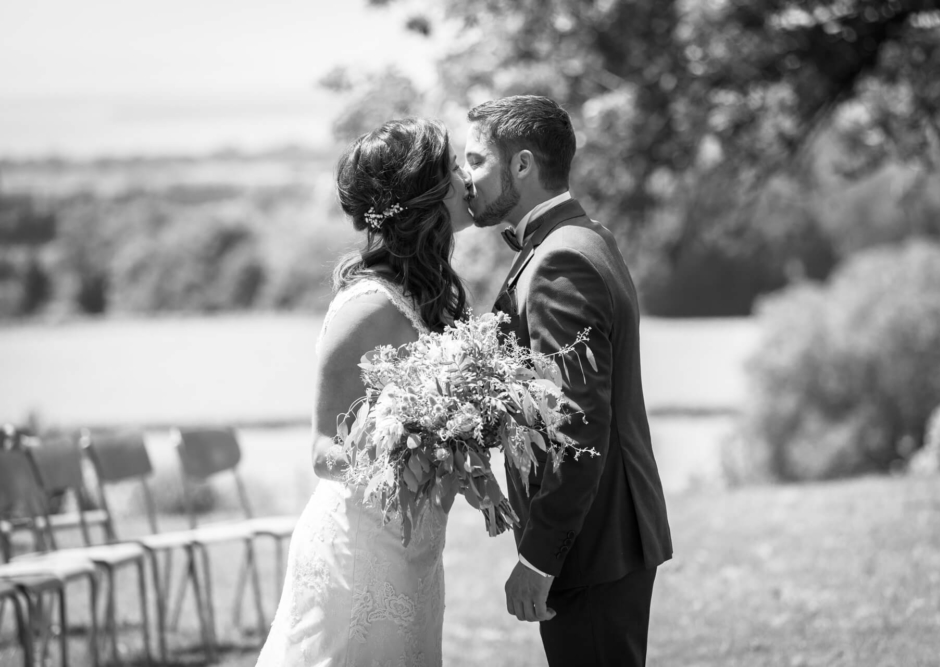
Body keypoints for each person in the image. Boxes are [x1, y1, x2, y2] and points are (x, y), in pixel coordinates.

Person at [255, 117, 474, 667]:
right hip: (360, 555)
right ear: (424, 199)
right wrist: (412, 453)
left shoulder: (420, 295)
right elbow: (324, 453)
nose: (466, 178)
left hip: (413, 548)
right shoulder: (369, 307)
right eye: (452, 171)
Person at [465, 95, 673, 666]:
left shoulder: (559, 260)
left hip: (592, 545)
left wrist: (538, 560)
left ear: (523, 165)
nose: (467, 179)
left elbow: (577, 423)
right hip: (606, 536)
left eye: (477, 161)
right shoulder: (583, 236)